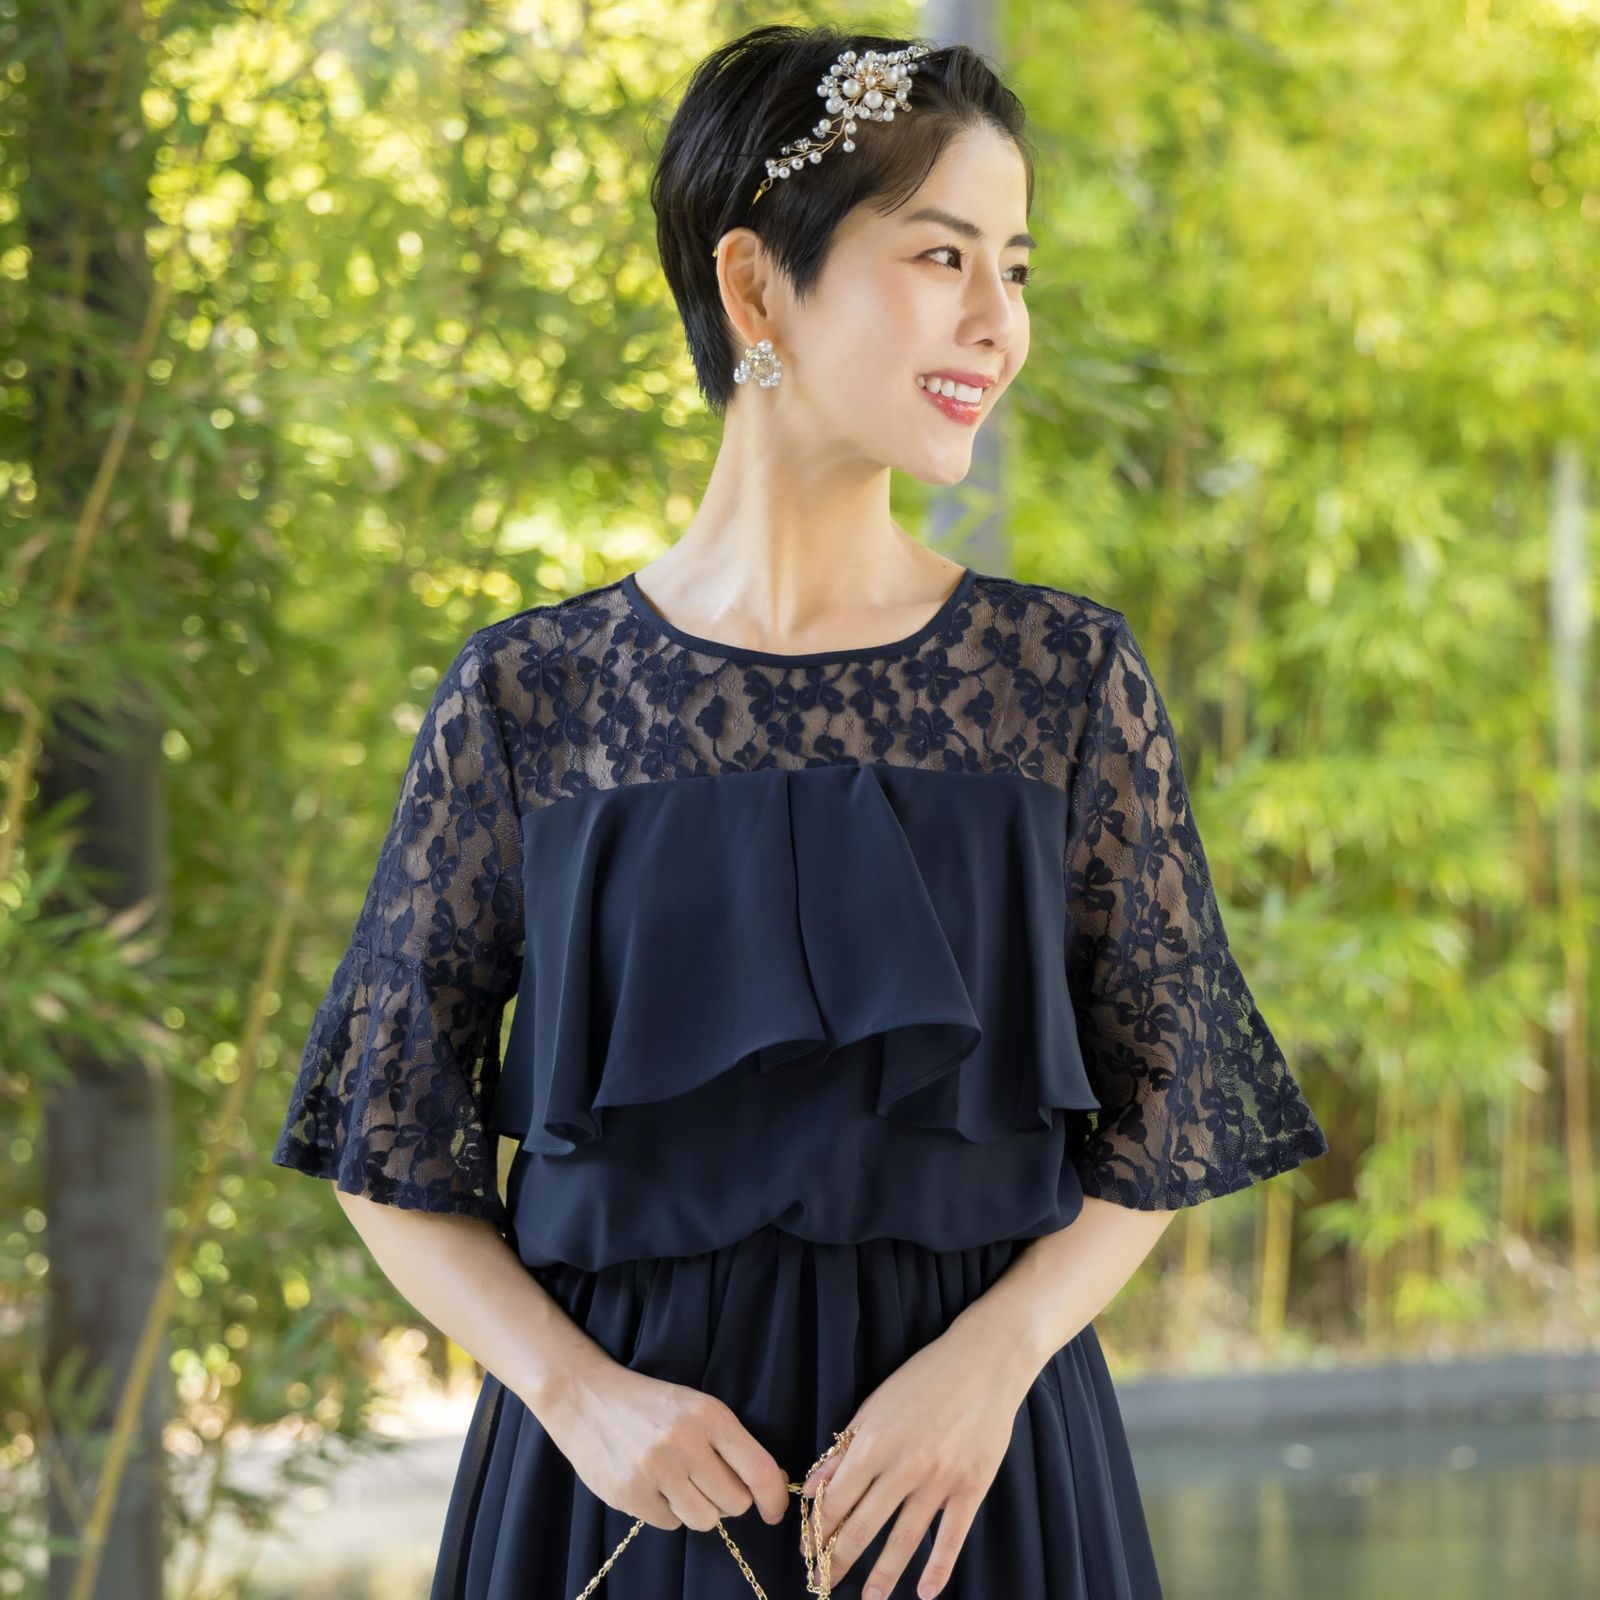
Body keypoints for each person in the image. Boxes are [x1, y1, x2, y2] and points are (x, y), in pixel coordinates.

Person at [270, 23, 1330, 1600]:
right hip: (618, 1490)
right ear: (756, 287)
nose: (999, 322)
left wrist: (996, 1364)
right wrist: (581, 1398)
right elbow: (385, 1138)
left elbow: (1170, 1108)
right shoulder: (529, 697)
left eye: (1016, 268)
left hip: (973, 1484)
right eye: (943, 256)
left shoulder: (1060, 680)